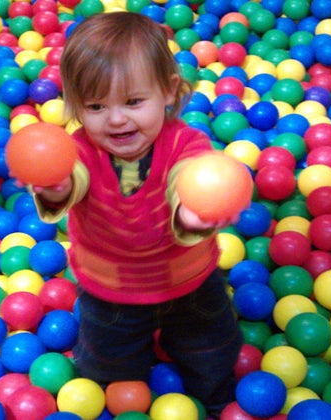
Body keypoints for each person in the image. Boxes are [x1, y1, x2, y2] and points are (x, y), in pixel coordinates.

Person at [28, 11, 243, 416]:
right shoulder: (79, 152)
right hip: (111, 292)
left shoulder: (186, 144)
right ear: (75, 105)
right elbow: (73, 178)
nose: (116, 118)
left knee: (213, 350)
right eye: (95, 105)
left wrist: (191, 213)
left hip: (190, 282)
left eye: (133, 102)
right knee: (107, 361)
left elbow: (188, 178)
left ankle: (218, 403)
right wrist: (57, 187)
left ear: (168, 91)